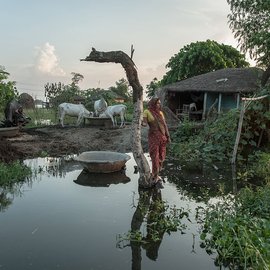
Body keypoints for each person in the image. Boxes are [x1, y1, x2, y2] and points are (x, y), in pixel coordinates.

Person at [142, 97, 171, 188]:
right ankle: (155, 176)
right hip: (153, 137)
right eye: (157, 103)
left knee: (162, 156)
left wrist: (168, 136)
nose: (159, 105)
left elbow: (164, 125)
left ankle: (157, 173)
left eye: (159, 103)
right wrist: (140, 123)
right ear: (153, 103)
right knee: (154, 156)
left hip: (162, 138)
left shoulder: (161, 113)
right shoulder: (147, 112)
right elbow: (144, 123)